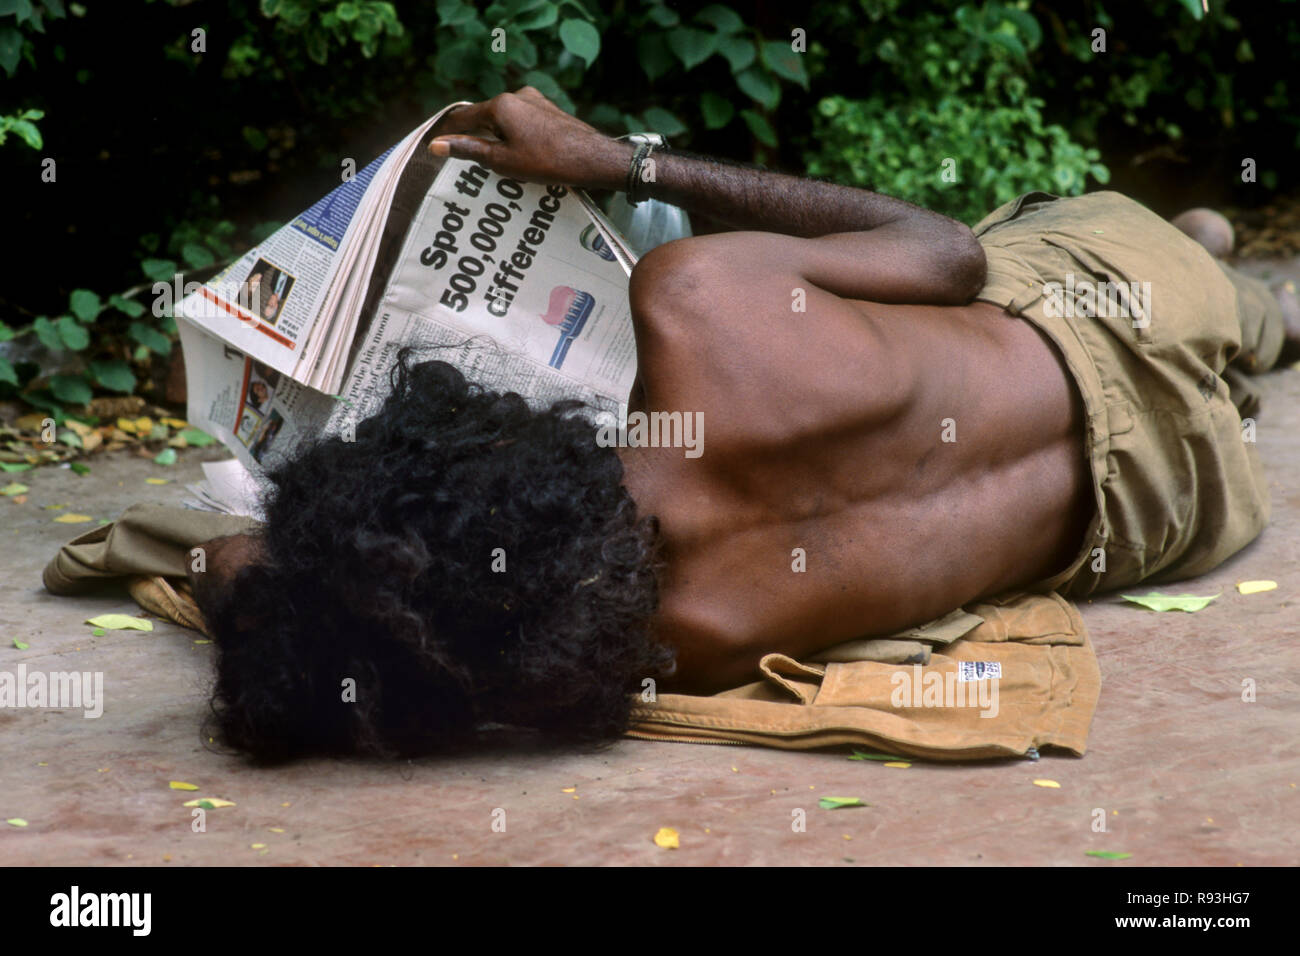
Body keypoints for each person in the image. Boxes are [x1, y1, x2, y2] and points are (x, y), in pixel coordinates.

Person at [190, 88, 1299, 761]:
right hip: (1101, 306)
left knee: (1183, 321)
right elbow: (945, 255)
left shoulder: (684, 644)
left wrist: (282, 588)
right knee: (1091, 259)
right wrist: (617, 160)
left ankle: (1236, 296)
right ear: (481, 440)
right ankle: (1232, 283)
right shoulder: (697, 311)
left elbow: (289, 594)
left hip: (1174, 503)